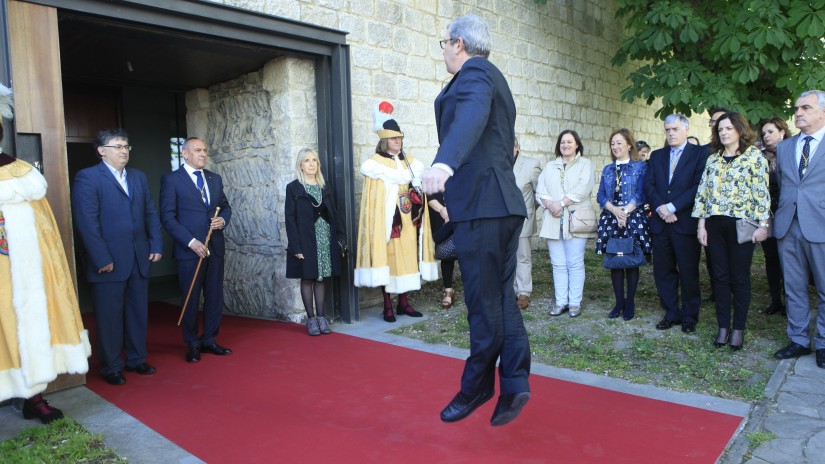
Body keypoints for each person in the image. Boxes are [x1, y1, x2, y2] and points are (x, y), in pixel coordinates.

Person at [421, 15, 530, 427]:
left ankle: (477, 386)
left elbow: (470, 115)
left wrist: (445, 163)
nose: (444, 50)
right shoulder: (493, 77)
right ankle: (516, 383)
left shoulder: (476, 75)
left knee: (484, 305)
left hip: (483, 208)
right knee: (501, 300)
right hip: (501, 205)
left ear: (459, 43)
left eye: (444, 43)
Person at [0, 83, 90, 423]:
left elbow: (46, 236)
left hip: (22, 273)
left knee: (28, 325)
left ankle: (33, 398)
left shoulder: (21, 176)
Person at [73, 129, 163, 384]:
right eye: (117, 146)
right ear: (102, 150)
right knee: (109, 317)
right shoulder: (88, 178)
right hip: (108, 261)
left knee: (137, 312)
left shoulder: (138, 177)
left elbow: (150, 213)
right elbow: (87, 223)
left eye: (126, 146)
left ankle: (136, 359)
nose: (124, 151)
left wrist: (155, 244)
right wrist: (101, 257)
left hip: (138, 257)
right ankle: (111, 365)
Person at [693, 112, 770, 350]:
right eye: (720, 129)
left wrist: (763, 225)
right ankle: (723, 327)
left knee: (739, 278)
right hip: (715, 225)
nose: (724, 133)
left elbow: (762, 193)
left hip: (742, 224)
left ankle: (738, 329)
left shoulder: (754, 157)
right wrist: (701, 225)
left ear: (739, 130)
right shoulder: (713, 160)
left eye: (728, 128)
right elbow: (703, 194)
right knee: (720, 277)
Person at [354, 106, 437, 322]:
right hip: (389, 219)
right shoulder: (375, 164)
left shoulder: (409, 161)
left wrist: (415, 189)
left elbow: (415, 185)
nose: (397, 142)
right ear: (384, 141)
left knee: (407, 257)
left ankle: (404, 303)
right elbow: (376, 197)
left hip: (408, 216)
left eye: (399, 138)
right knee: (388, 259)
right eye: (393, 139)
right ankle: (388, 306)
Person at [160, 137, 233, 363]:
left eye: (205, 150)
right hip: (189, 250)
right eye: (197, 150)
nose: (203, 154)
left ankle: (210, 339)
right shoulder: (172, 180)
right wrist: (190, 241)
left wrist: (222, 220)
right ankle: (192, 342)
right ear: (185, 154)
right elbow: (168, 217)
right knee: (191, 298)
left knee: (214, 296)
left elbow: (226, 206)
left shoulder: (214, 178)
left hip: (215, 246)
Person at [773, 90, 825, 369]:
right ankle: (799, 339)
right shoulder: (785, 147)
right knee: (794, 287)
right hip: (788, 225)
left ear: (822, 112)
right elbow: (783, 183)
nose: (798, 113)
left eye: (806, 107)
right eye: (796, 108)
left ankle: (824, 344)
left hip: (821, 225)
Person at [645, 115, 709, 334]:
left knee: (688, 271)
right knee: (663, 270)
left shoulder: (700, 154)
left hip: (684, 223)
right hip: (661, 224)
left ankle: (690, 315)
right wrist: (662, 208)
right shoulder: (657, 156)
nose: (670, 133)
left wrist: (673, 207)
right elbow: (650, 185)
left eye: (674, 129)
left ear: (686, 129)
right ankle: (671, 311)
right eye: (667, 130)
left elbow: (698, 186)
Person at [284, 148, 345, 336]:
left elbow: (335, 214)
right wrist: (295, 246)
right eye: (306, 161)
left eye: (314, 160)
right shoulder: (293, 188)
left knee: (321, 277)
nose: (311, 164)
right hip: (306, 239)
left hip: (325, 238)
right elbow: (290, 219)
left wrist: (341, 237)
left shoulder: (324, 187)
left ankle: (321, 317)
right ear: (300, 165)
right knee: (308, 277)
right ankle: (311, 320)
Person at [536, 130, 595, 317]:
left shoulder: (585, 164)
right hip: (553, 220)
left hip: (575, 219)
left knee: (575, 262)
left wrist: (561, 203)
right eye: (562, 142)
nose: (565, 145)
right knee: (558, 263)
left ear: (577, 144)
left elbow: (583, 188)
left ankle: (575, 302)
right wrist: (551, 206)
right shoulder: (549, 166)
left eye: (570, 142)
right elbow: (540, 190)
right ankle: (561, 301)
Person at [595, 128, 650, 321]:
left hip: (632, 218)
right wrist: (615, 211)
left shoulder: (640, 167)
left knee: (631, 260)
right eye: (612, 143)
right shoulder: (608, 169)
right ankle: (619, 302)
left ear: (629, 144)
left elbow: (642, 193)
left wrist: (625, 211)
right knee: (616, 261)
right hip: (611, 219)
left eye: (619, 142)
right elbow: (600, 195)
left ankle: (630, 302)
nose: (615, 146)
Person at [758, 117, 790, 316]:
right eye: (763, 133)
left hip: (788, 212)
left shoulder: (792, 154)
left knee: (788, 257)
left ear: (782, 132)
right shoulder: (759, 157)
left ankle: (790, 301)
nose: (766, 136)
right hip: (767, 213)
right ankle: (775, 300)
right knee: (771, 257)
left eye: (770, 132)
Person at [701, 107, 731, 304]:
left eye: (721, 122)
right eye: (713, 122)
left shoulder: (747, 154)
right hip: (710, 215)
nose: (717, 127)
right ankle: (717, 290)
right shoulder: (705, 152)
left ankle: (733, 291)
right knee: (713, 258)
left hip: (734, 217)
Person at [512, 137, 541, 310]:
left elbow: (539, 194)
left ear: (517, 146)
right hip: (502, 219)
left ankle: (523, 292)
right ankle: (508, 289)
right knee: (505, 256)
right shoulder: (497, 163)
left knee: (522, 256)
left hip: (523, 217)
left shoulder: (531, 164)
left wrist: (528, 209)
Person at [428, 191, 458, 308]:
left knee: (468, 251)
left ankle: (473, 288)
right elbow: (428, 194)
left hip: (461, 211)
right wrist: (443, 210)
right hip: (439, 213)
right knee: (446, 252)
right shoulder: (433, 174)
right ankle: (448, 290)